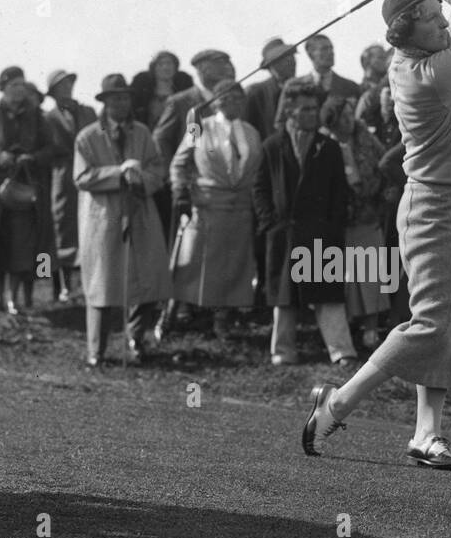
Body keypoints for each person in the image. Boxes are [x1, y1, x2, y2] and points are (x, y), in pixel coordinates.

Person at [302, 0, 451, 471]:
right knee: (431, 324)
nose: (443, 25)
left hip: (450, 206)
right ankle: (338, 402)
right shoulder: (428, 77)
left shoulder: (430, 58)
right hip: (430, 209)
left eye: (441, 18)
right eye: (432, 20)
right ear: (405, 32)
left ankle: (426, 433)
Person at [253, 77, 357, 367]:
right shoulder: (272, 146)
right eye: (305, 109)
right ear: (289, 110)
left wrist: (333, 226)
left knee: (327, 295)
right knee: (284, 298)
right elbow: (259, 188)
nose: (312, 114)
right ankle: (283, 352)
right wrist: (270, 222)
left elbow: (340, 193)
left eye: (315, 108)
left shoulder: (329, 147)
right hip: (284, 232)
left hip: (320, 233)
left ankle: (341, 351)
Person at [75, 74, 171, 367]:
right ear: (104, 102)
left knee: (145, 278)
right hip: (103, 218)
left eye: (126, 97)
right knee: (102, 283)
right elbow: (81, 177)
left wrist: (142, 177)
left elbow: (158, 169)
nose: (122, 103)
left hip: (140, 212)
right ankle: (97, 350)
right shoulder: (88, 136)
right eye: (115, 98)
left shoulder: (142, 133)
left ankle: (136, 339)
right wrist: (118, 173)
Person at [169, 79, 262, 339]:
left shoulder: (251, 132)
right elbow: (179, 163)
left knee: (234, 265)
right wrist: (180, 193)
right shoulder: (202, 128)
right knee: (197, 262)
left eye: (237, 98)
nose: (232, 103)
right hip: (208, 205)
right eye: (225, 98)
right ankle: (184, 313)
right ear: (216, 102)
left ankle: (223, 319)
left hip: (241, 208)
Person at [0, 66, 55, 314]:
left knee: (21, 246)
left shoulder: (37, 116)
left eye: (22, 85)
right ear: (3, 87)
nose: (19, 90)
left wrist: (32, 157)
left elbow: (51, 149)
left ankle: (14, 299)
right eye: (14, 85)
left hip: (25, 190)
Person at [322, 93, 390, 351]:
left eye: (352, 115)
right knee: (342, 276)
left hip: (367, 216)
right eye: (344, 116)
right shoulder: (324, 143)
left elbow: (384, 166)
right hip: (338, 221)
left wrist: (377, 197)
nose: (350, 120)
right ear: (332, 120)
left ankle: (371, 330)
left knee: (370, 274)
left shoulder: (365, 138)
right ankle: (347, 327)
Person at [152, 49, 235, 243]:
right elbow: (160, 138)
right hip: (191, 188)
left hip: (222, 188)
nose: (228, 68)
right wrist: (172, 178)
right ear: (204, 69)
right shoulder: (182, 102)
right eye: (221, 63)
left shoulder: (229, 100)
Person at [44, 70, 97, 303]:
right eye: (60, 87)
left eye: (68, 84)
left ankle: (88, 284)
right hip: (62, 177)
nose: (65, 90)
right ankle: (61, 286)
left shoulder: (88, 112)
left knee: (88, 229)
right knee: (61, 230)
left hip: (88, 175)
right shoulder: (48, 118)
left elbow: (100, 135)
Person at [244, 38, 298, 143]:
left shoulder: (304, 87)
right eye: (285, 58)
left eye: (292, 57)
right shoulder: (255, 93)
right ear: (272, 65)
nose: (292, 62)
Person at [129, 51, 194, 131]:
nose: (165, 67)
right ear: (153, 68)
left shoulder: (184, 90)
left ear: (175, 67)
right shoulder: (143, 93)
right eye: (160, 64)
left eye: (169, 63)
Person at [304, 34, 361, 104]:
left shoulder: (351, 87)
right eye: (324, 49)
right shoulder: (295, 86)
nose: (330, 52)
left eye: (331, 48)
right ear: (310, 54)